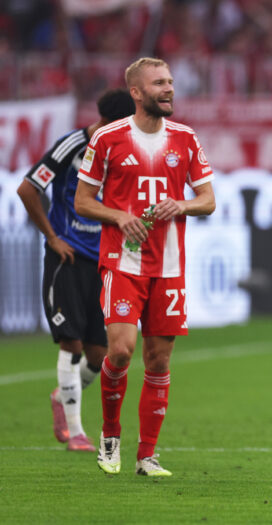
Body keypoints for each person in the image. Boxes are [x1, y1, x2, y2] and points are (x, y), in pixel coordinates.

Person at [74, 57, 216, 477]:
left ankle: (147, 455)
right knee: (119, 350)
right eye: (159, 83)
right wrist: (119, 216)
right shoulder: (108, 139)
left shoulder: (186, 139)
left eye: (170, 81)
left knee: (158, 361)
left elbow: (208, 199)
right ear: (136, 93)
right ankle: (111, 435)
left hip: (169, 265)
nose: (169, 88)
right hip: (123, 261)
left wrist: (183, 203)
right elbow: (83, 201)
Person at [17, 89, 136, 452]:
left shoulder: (121, 152)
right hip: (66, 257)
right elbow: (27, 189)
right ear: (112, 121)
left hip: (103, 261)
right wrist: (52, 237)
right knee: (70, 342)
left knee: (100, 357)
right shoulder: (70, 145)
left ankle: (61, 396)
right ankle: (76, 433)